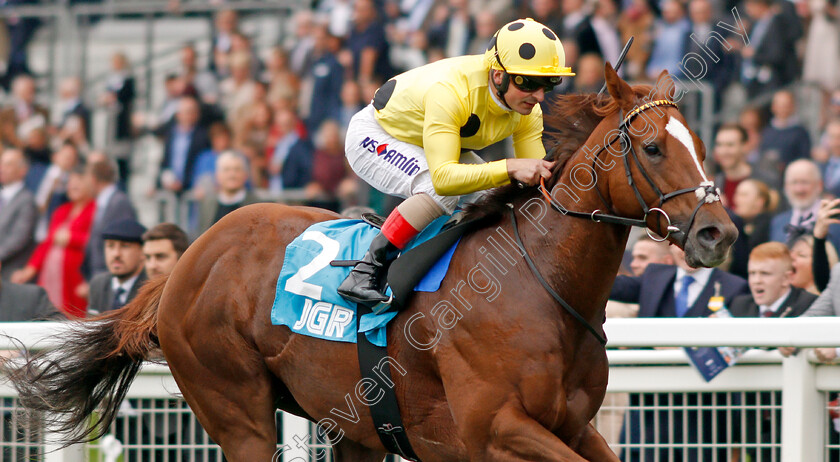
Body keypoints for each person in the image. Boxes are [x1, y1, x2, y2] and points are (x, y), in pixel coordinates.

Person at [338, 18, 572, 305]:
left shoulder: (527, 109)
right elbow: (444, 179)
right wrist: (510, 166)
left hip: (433, 140)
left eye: (548, 84)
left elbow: (534, 183)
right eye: (529, 83)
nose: (538, 96)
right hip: (376, 135)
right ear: (499, 76)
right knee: (440, 192)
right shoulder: (451, 92)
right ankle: (366, 271)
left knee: (498, 198)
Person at [11, 166, 95, 318]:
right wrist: (29, 269)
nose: (73, 185)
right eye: (70, 182)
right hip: (51, 277)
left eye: (78, 181)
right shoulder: (61, 211)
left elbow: (96, 242)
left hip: (76, 279)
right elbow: (47, 244)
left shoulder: (94, 210)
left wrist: (72, 238)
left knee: (75, 319)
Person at [83, 158, 137, 278]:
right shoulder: (102, 202)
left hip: (108, 275)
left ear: (93, 179)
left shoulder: (119, 202)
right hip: (98, 275)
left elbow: (124, 239)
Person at [87, 219, 148, 314]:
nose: (116, 254)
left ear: (142, 252)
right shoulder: (98, 284)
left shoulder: (149, 287)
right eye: (110, 246)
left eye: (125, 246)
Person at [197, 151, 259, 236]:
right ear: (217, 176)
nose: (232, 175)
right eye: (226, 170)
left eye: (237, 169)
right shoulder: (207, 205)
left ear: (245, 175)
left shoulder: (256, 205)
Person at [0, 148, 38, 280]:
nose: (2, 168)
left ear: (23, 170)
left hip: (10, 272)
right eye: (2, 163)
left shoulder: (27, 200)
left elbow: (19, 238)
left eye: (8, 164)